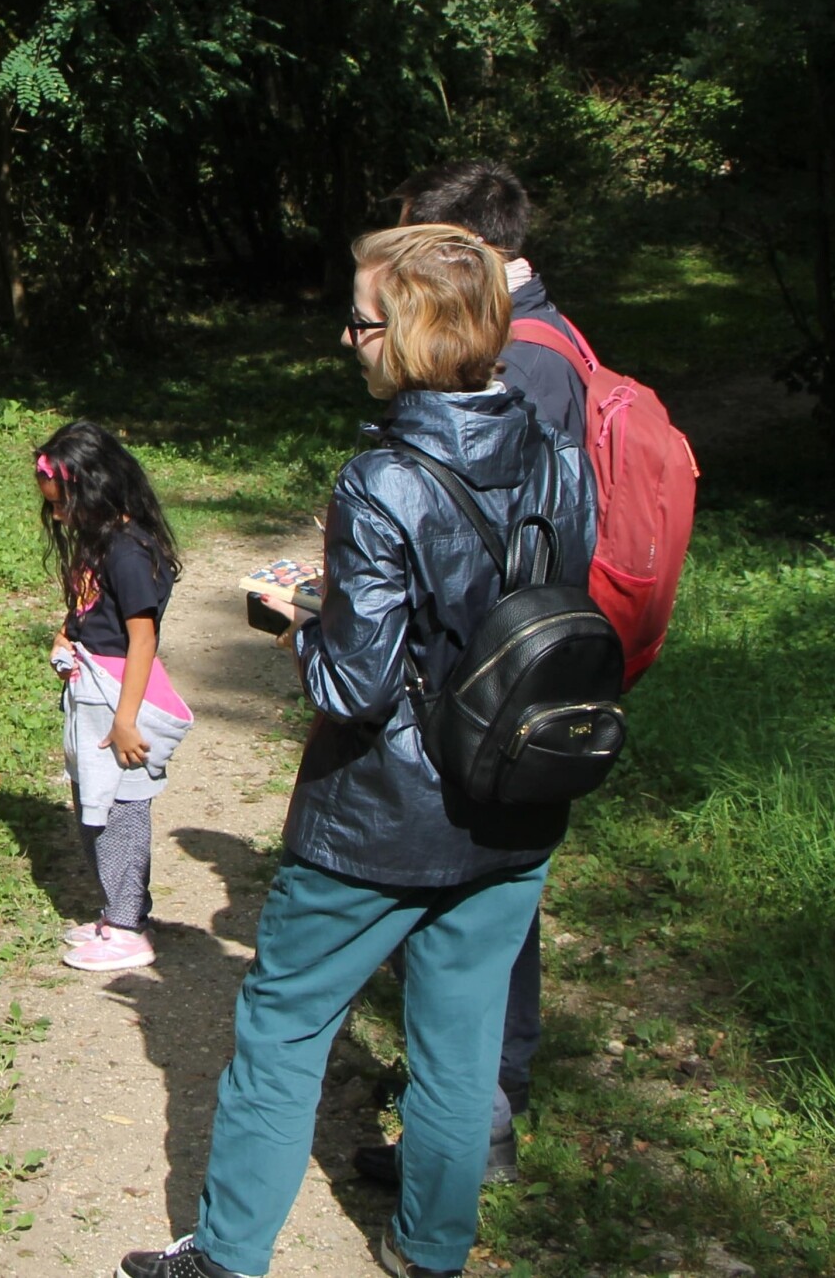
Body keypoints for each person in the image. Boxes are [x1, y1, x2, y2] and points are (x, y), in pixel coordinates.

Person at [117, 225, 596, 1278]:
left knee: (286, 1023)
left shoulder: (382, 478)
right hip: (514, 794)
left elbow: (355, 685)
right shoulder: (560, 450)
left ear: (416, 335)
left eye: (363, 319)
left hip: (380, 817)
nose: (348, 335)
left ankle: (226, 1256)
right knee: (461, 1040)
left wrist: (303, 617)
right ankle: (430, 1252)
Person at [348, 158, 583, 1187]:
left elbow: (488, 549)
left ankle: (470, 1127)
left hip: (485, 699)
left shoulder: (526, 364)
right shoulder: (550, 340)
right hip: (512, 682)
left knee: (477, 936)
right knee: (488, 920)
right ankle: (469, 1118)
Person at [37, 421, 193, 974]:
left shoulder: (128, 552)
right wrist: (67, 632)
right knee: (93, 805)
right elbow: (90, 610)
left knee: (120, 811)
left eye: (62, 506)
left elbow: (142, 638)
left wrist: (127, 720)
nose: (57, 517)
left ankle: (129, 927)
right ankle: (119, 911)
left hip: (119, 698)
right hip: (95, 690)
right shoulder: (100, 542)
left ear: (94, 491)